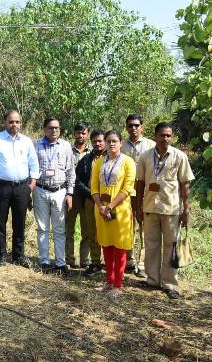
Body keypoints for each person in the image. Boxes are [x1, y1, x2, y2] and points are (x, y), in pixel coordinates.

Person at [136, 122, 194, 299]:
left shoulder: (179, 156)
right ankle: (152, 279)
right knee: (151, 244)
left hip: (171, 209)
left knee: (171, 246)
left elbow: (185, 185)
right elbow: (139, 183)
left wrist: (186, 210)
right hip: (150, 207)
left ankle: (170, 283)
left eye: (168, 135)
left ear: (172, 137)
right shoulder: (145, 157)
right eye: (162, 135)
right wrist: (138, 207)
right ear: (155, 136)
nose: (165, 138)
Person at [0, 110, 40, 267]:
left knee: (19, 222)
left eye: (17, 121)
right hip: (1, 186)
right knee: (0, 222)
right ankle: (0, 255)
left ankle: (18, 255)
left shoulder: (27, 141)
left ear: (20, 123)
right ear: (4, 123)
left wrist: (31, 185)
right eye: (11, 121)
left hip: (22, 187)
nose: (14, 124)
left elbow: (34, 164)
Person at [90, 130, 136, 296]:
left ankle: (117, 284)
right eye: (108, 141)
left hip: (120, 211)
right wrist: (102, 206)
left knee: (119, 247)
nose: (111, 144)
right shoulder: (99, 162)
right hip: (101, 210)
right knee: (106, 245)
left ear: (121, 142)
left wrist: (110, 206)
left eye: (114, 141)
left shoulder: (128, 162)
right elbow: (94, 187)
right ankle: (109, 281)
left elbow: (127, 188)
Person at [33, 117, 75, 275]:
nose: (54, 131)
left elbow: (71, 171)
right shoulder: (36, 145)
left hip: (59, 191)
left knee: (59, 229)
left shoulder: (65, 146)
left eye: (57, 128)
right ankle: (44, 261)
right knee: (42, 227)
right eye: (50, 128)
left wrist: (70, 193)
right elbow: (31, 168)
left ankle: (60, 263)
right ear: (44, 129)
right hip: (40, 190)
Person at [121, 113, 155, 276]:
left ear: (142, 127)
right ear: (126, 127)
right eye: (130, 125)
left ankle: (142, 265)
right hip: (126, 193)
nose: (133, 128)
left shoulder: (151, 145)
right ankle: (129, 260)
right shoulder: (122, 146)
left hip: (145, 192)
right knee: (128, 226)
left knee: (144, 227)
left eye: (136, 125)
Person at [74, 129, 106, 277]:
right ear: (91, 143)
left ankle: (111, 263)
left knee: (108, 231)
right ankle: (95, 263)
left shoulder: (114, 158)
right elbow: (78, 181)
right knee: (91, 232)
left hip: (109, 202)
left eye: (100, 141)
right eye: (95, 141)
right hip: (90, 200)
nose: (97, 144)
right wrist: (92, 195)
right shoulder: (85, 160)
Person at [66, 122, 91, 268]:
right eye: (78, 133)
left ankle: (85, 261)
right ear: (74, 134)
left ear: (87, 134)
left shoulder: (93, 151)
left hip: (87, 195)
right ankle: (69, 260)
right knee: (68, 228)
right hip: (71, 194)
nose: (81, 136)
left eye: (84, 133)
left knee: (86, 230)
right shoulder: (67, 149)